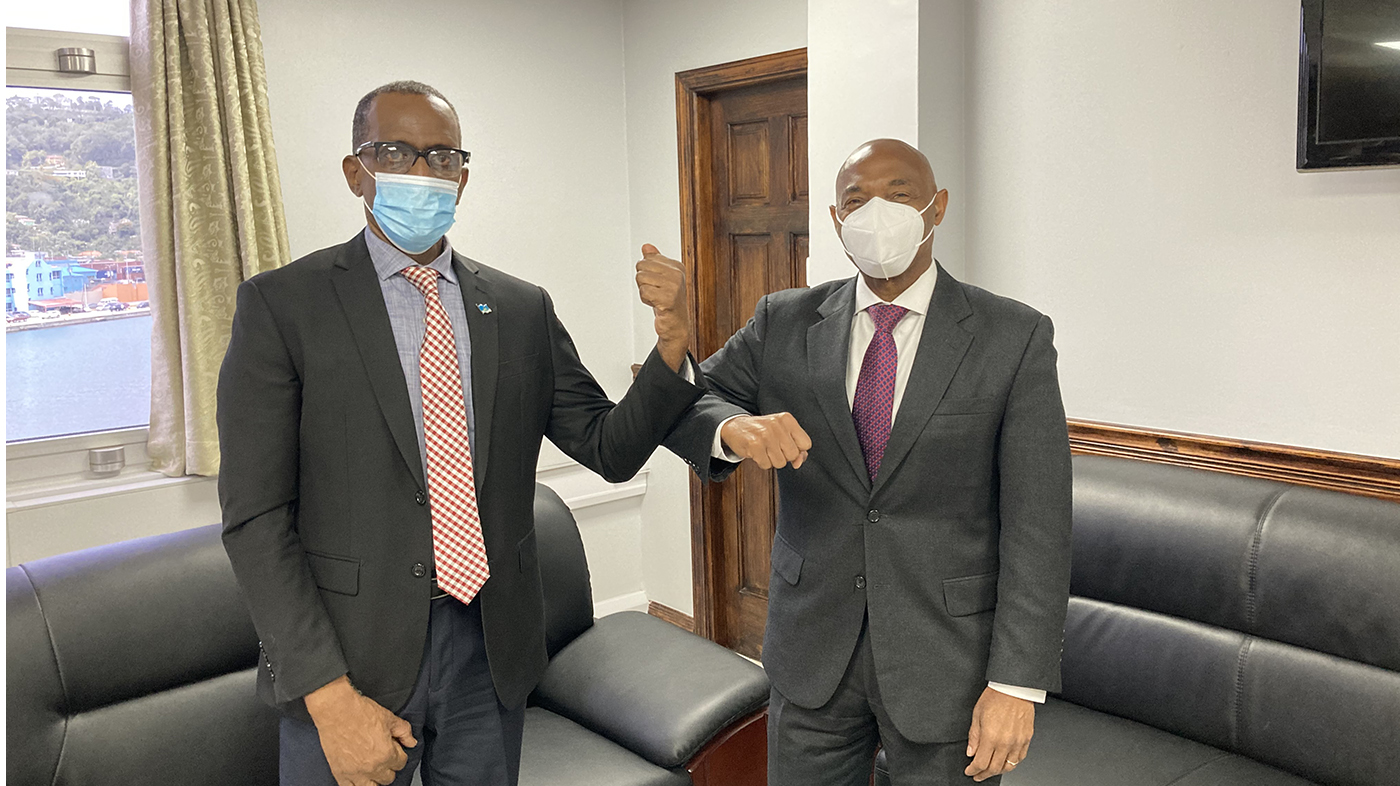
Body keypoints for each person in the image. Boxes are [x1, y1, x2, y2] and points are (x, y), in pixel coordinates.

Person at [217, 80, 705, 786]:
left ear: (463, 178)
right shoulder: (283, 305)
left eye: (442, 157)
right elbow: (257, 520)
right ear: (357, 171)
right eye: (396, 153)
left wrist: (673, 347)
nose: (421, 174)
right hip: (352, 663)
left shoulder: (518, 307)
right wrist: (328, 700)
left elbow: (609, 447)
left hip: (489, 652)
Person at [664, 139, 1073, 785]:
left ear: (937, 208)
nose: (876, 212)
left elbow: (1039, 525)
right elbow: (688, 403)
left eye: (899, 194)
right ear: (835, 220)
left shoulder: (1012, 336)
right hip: (811, 651)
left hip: (949, 662)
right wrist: (733, 427)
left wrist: (1017, 684)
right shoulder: (784, 319)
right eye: (857, 200)